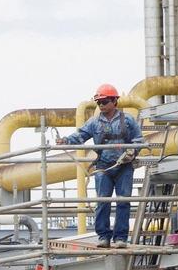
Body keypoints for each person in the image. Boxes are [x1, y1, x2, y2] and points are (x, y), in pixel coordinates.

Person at [57, 83, 144, 249]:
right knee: (102, 201)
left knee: (123, 202)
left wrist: (132, 152)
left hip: (124, 167)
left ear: (114, 101)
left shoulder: (128, 121)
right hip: (104, 168)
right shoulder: (94, 123)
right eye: (99, 103)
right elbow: (80, 136)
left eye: (104, 101)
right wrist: (65, 141)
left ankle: (120, 238)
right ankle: (103, 236)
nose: (101, 105)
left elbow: (139, 141)